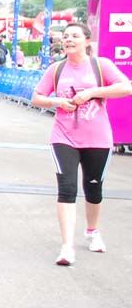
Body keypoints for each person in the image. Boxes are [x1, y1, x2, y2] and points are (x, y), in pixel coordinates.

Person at [31, 22, 132, 265]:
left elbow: (126, 88)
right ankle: (67, 247)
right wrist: (57, 102)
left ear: (87, 41)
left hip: (97, 137)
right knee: (66, 188)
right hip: (63, 136)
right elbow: (36, 97)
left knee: (93, 188)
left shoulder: (101, 65)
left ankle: (92, 230)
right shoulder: (56, 69)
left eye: (74, 36)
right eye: (65, 37)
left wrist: (91, 93)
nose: (68, 40)